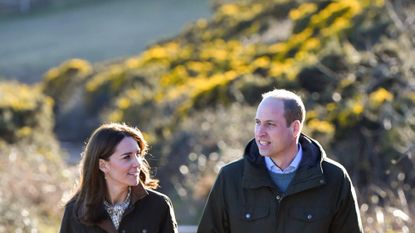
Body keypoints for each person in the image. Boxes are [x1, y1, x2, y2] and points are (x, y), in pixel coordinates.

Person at [197, 89, 363, 233]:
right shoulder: (230, 177)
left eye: (270, 124)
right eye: (258, 123)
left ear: (295, 128)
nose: (260, 133)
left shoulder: (334, 178)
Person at [60, 123, 178, 233]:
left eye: (138, 154)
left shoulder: (159, 206)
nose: (137, 163)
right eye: (127, 157)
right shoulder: (75, 212)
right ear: (103, 165)